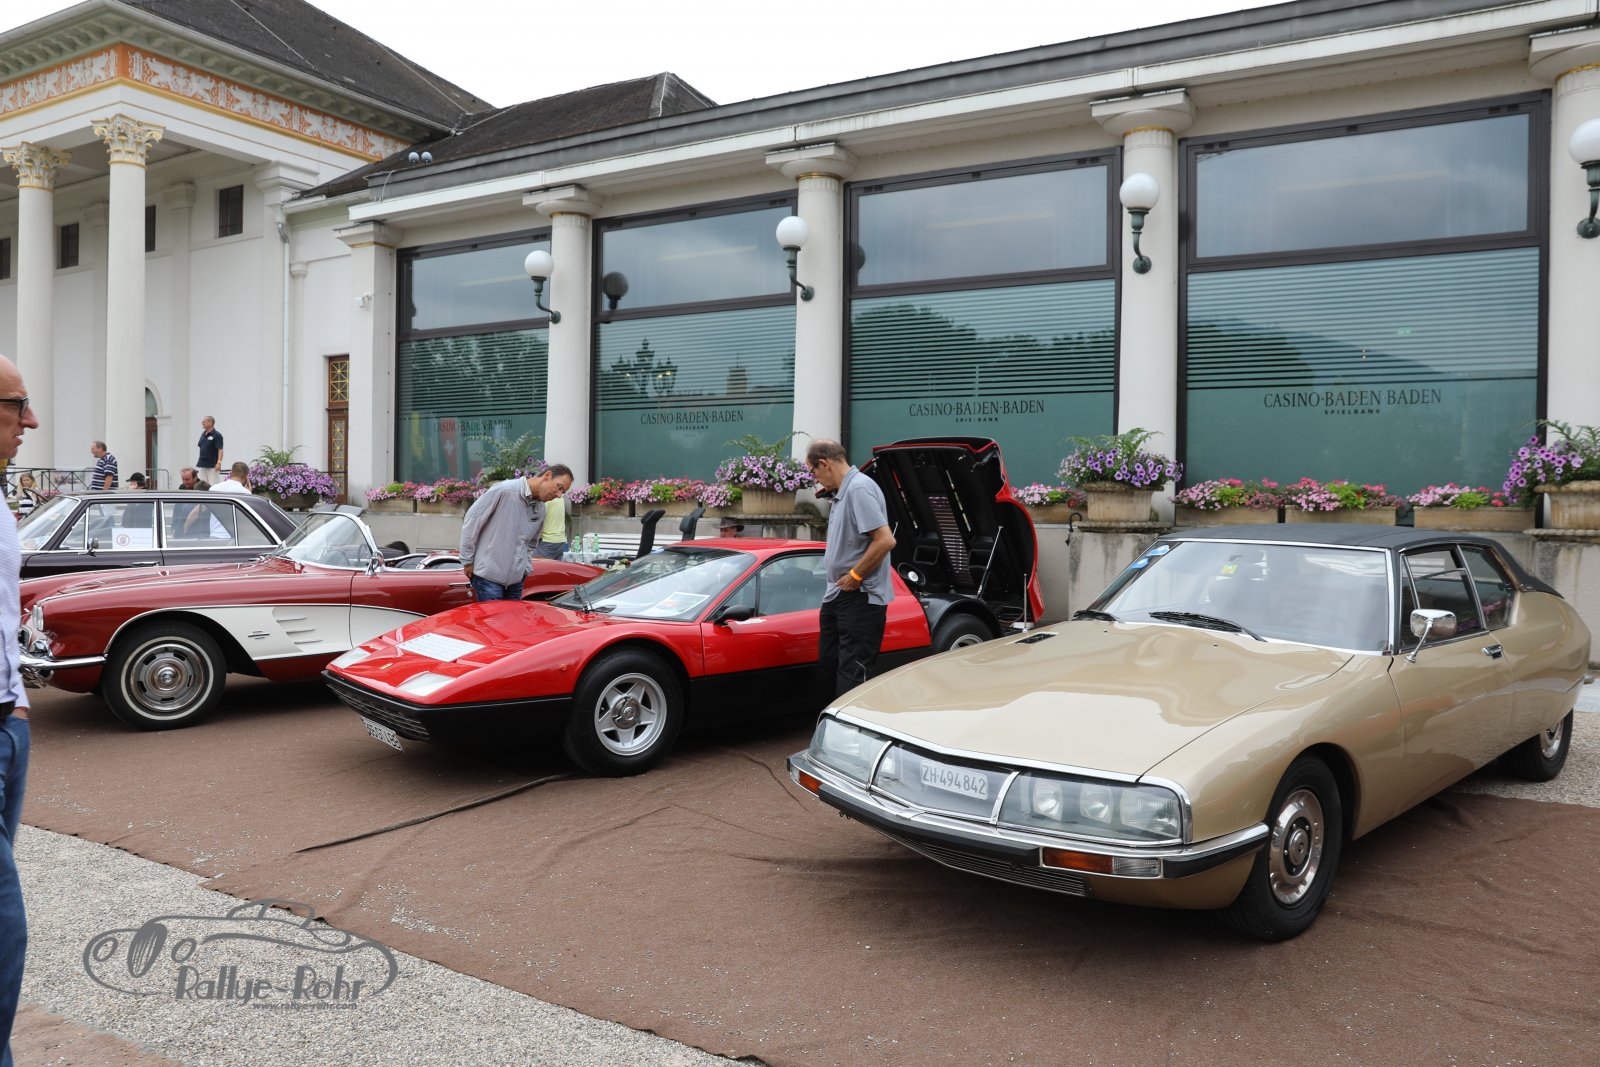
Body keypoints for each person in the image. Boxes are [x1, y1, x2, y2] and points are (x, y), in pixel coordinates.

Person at [0, 356, 39, 1067]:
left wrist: (21, 710)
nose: (30, 422)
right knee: (5, 930)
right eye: (16, 406)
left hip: (9, 723)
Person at [808, 439, 896, 699]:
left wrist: (855, 576)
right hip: (839, 594)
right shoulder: (842, 492)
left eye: (813, 472)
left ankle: (851, 726)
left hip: (860, 597)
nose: (815, 479)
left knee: (853, 673)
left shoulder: (859, 488)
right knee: (830, 665)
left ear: (824, 464)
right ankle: (830, 723)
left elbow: (885, 540)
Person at [460, 463, 573, 601]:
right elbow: (472, 521)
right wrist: (467, 560)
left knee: (513, 616)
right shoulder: (505, 491)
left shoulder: (541, 509)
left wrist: (525, 569)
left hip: (516, 582)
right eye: (559, 487)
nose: (559, 495)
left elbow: (531, 543)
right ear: (547, 476)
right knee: (493, 616)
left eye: (563, 492)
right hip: (488, 578)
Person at [533, 491, 569, 560]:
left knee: (529, 561)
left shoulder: (547, 497)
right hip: (560, 541)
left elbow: (539, 521)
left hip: (548, 541)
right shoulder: (559, 496)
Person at [195, 416, 224, 483]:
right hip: (202, 464)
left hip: (212, 465)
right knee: (202, 485)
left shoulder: (217, 435)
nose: (202, 423)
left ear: (210, 422)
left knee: (213, 484)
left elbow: (220, 450)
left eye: (204, 421)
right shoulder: (203, 434)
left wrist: (219, 463)